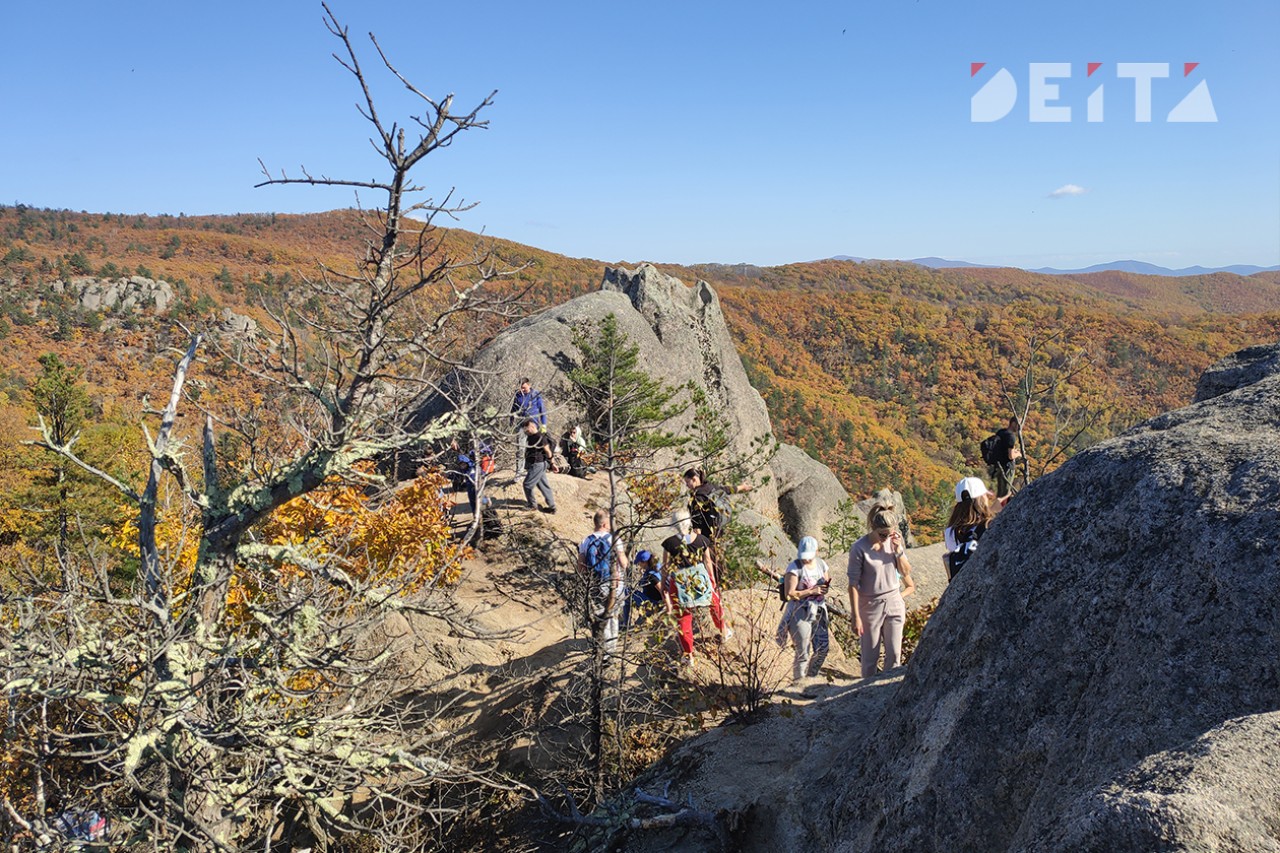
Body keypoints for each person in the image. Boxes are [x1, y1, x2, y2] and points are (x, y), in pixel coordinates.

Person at [848, 504, 916, 679]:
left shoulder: (893, 543)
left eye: (889, 533)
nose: (885, 538)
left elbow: (906, 573)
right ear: (873, 528)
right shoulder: (859, 548)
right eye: (882, 534)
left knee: (894, 656)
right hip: (869, 606)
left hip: (894, 601)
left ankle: (889, 698)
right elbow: (853, 584)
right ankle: (864, 696)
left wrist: (899, 550)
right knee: (870, 659)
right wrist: (855, 616)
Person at [682, 468, 750, 640]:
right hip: (719, 531)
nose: (687, 485)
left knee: (708, 563)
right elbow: (727, 489)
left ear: (694, 479)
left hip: (705, 537)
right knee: (718, 560)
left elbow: (696, 526)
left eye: (687, 481)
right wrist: (742, 487)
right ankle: (720, 585)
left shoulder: (697, 498)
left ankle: (713, 589)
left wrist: (695, 544)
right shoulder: (712, 487)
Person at [661, 509, 718, 663]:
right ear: (689, 522)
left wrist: (663, 587)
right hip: (700, 577)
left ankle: (688, 655)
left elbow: (665, 567)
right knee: (714, 601)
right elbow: (708, 562)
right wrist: (712, 580)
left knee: (684, 619)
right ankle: (724, 630)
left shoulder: (670, 543)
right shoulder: (702, 540)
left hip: (680, 580)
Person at [779, 536, 831, 684]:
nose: (806, 560)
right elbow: (790, 594)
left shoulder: (821, 564)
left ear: (816, 552)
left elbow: (826, 581)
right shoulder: (794, 568)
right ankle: (799, 684)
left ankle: (810, 678)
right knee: (803, 651)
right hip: (800, 612)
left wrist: (823, 589)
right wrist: (811, 591)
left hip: (819, 611)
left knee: (822, 648)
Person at [579, 510, 627, 654]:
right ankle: (611, 650)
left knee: (601, 617)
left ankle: (603, 651)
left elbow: (581, 567)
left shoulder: (585, 541)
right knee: (613, 616)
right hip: (614, 584)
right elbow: (624, 563)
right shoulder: (614, 540)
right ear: (605, 524)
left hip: (595, 584)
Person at [943, 476, 999, 581]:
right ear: (981, 498)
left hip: (964, 582)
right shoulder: (990, 524)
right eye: (985, 495)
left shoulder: (950, 532)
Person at [511, 378, 546, 476]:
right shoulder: (517, 395)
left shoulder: (536, 394)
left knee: (535, 449)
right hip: (522, 426)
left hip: (534, 426)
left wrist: (543, 425)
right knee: (521, 449)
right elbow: (513, 409)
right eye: (521, 388)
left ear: (529, 385)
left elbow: (542, 410)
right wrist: (511, 423)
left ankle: (534, 469)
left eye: (524, 388)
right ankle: (519, 471)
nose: (522, 390)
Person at [521, 419, 557, 513]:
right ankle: (552, 507)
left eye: (526, 429)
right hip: (536, 464)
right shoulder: (530, 437)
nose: (525, 431)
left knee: (527, 484)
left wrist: (553, 464)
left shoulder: (540, 437)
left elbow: (548, 451)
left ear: (532, 426)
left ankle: (532, 505)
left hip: (538, 464)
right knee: (543, 485)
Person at [625, 549, 664, 627]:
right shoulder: (658, 566)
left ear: (644, 562)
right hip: (655, 600)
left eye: (639, 563)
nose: (638, 565)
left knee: (627, 591)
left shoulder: (652, 576)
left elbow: (661, 589)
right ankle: (639, 617)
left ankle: (626, 623)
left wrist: (664, 605)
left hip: (654, 604)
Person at [989, 416, 1022, 498]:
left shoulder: (1001, 432)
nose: (1020, 426)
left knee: (1000, 493)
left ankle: (998, 509)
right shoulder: (1011, 437)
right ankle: (1004, 509)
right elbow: (1010, 456)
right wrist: (1018, 454)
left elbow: (1003, 450)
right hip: (1007, 468)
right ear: (1013, 423)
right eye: (1019, 424)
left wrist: (1014, 451)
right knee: (1006, 493)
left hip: (999, 466)